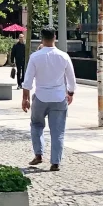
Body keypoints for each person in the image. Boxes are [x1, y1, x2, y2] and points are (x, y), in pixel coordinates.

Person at [21, 28, 75, 171]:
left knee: (36, 125)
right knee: (57, 131)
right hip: (58, 98)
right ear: (55, 37)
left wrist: (25, 98)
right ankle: (55, 162)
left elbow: (27, 81)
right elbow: (71, 79)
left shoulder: (35, 57)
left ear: (41, 39)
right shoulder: (64, 56)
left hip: (40, 97)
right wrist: (70, 93)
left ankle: (38, 154)